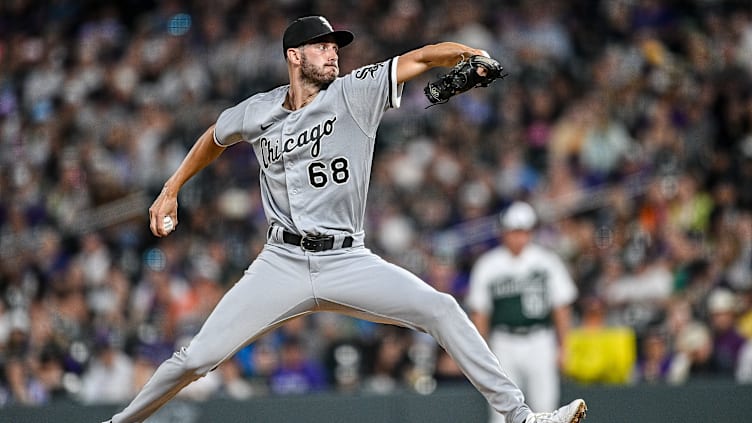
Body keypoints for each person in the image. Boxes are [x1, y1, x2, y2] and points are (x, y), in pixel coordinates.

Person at [102, 16, 586, 423]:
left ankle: (521, 418)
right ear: (295, 56)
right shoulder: (259, 110)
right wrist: (171, 189)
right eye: (322, 46)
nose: (333, 53)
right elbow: (215, 135)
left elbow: (422, 57)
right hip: (281, 260)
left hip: (347, 259)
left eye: (336, 46)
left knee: (441, 308)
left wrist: (470, 53)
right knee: (198, 359)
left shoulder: (356, 91)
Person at [467, 201, 579, 422]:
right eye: (513, 231)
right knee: (501, 411)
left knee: (545, 407)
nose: (518, 237)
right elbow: (480, 313)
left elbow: (561, 306)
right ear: (504, 232)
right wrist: (483, 352)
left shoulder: (547, 261)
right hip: (503, 340)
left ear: (531, 232)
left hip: (540, 338)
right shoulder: (488, 264)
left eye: (523, 231)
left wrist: (564, 346)